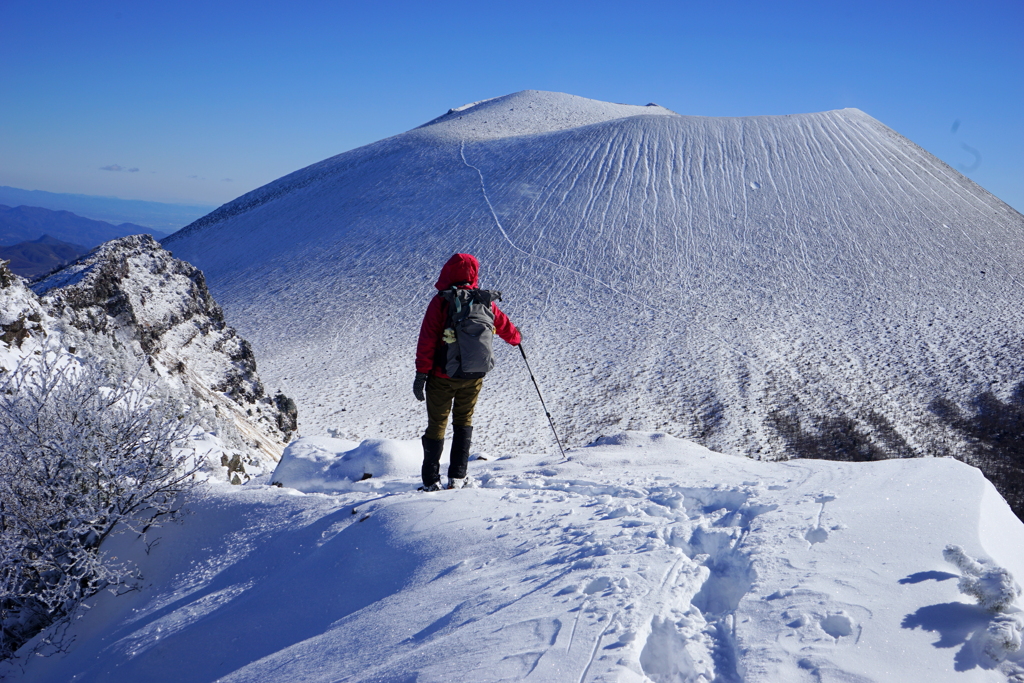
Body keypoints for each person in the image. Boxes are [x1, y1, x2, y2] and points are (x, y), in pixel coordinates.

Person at [414, 253, 521, 490]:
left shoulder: (441, 301)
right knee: (464, 422)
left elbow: (428, 340)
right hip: (473, 376)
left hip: (442, 376)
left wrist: (421, 373)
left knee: (437, 425)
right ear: (474, 274)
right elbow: (505, 326)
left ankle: (431, 481)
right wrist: (516, 339)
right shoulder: (483, 300)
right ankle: (458, 477)